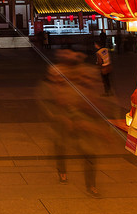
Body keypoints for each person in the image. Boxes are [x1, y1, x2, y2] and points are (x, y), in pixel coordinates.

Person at [41, 50, 101, 196]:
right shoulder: (56, 71)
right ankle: (62, 170)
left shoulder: (85, 72)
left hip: (81, 116)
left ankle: (91, 185)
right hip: (62, 115)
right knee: (61, 144)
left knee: (88, 150)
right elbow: (52, 94)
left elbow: (92, 93)